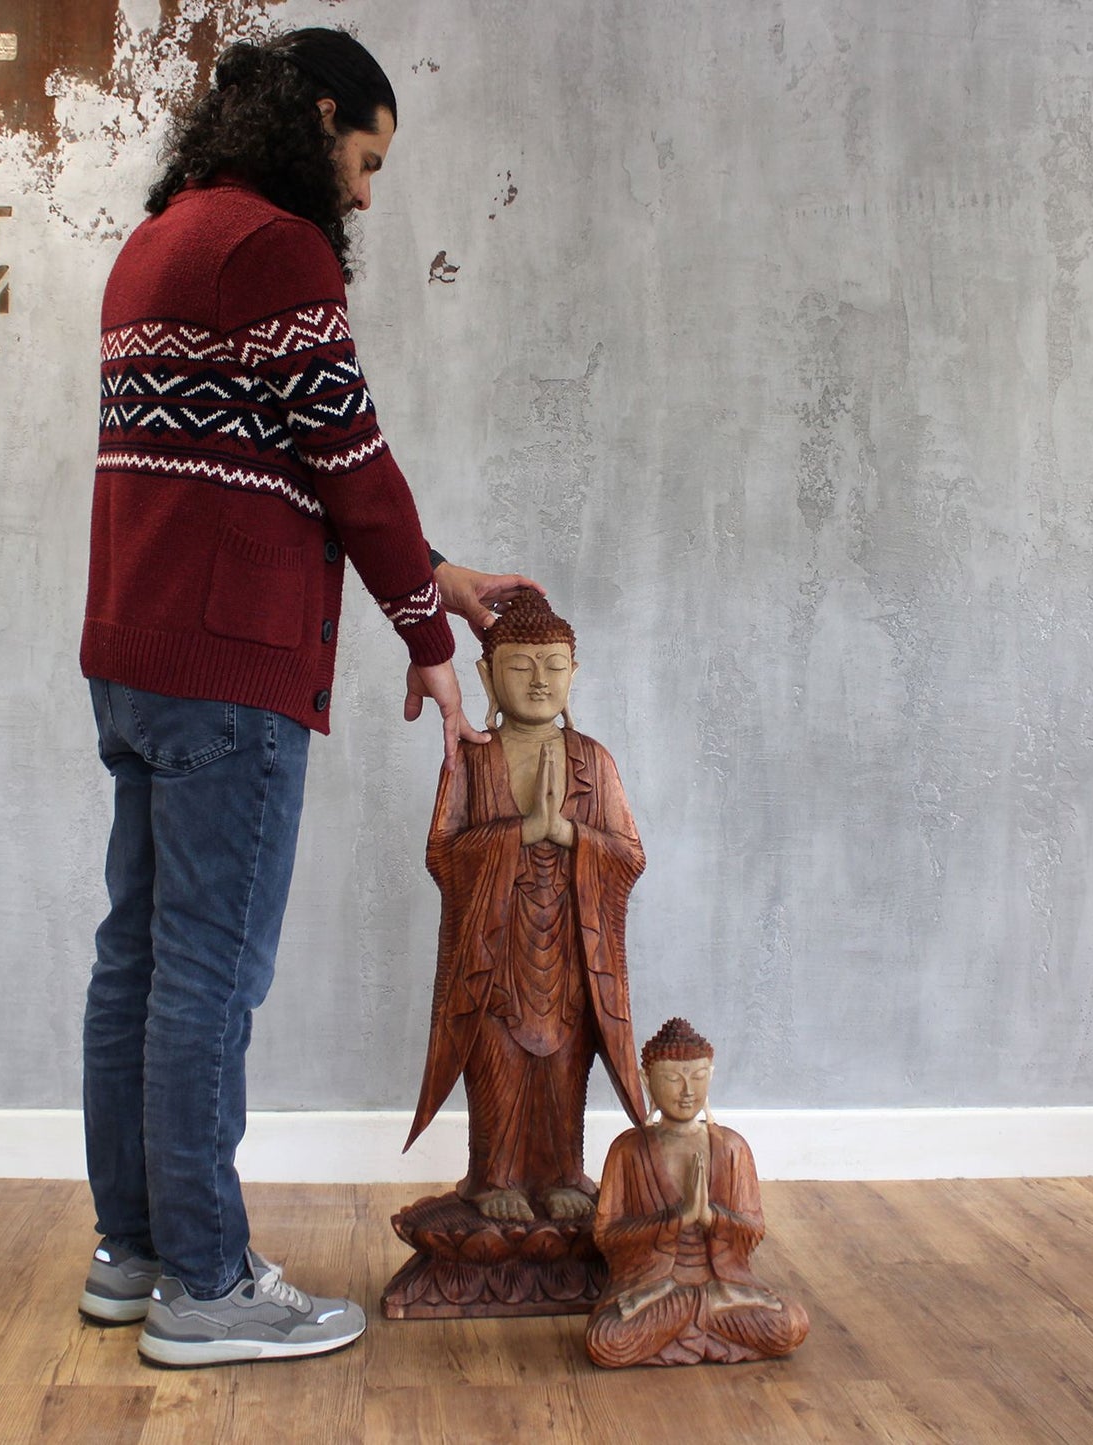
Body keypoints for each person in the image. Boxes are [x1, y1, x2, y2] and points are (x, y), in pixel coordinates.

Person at [77, 27, 539, 1368]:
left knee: (140, 963)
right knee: (207, 977)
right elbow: (350, 457)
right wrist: (425, 637)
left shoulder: (157, 241)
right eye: (365, 156)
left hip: (135, 655)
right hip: (232, 669)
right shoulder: (274, 250)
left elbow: (263, 451)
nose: (366, 194)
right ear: (318, 115)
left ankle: (138, 1250)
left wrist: (432, 576)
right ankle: (209, 1286)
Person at [405, 593, 646, 1222]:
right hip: (493, 948)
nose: (539, 680)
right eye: (520, 666)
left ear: (574, 675)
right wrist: (518, 834)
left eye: (553, 665)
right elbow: (442, 853)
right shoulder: (473, 757)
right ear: (486, 676)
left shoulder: (594, 761)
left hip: (572, 945)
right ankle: (494, 1177)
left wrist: (566, 835)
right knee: (498, 1058)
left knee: (565, 1062)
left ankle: (565, 1171)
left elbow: (629, 854)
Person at [586, 1018, 810, 1367]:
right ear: (647, 1082)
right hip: (657, 1290)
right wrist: (677, 1219)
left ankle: (687, 1328)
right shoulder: (628, 1150)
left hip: (722, 1286)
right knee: (606, 1339)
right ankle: (700, 1324)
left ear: (711, 1076)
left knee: (791, 1323)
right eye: (673, 1079)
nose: (687, 1091)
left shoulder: (732, 1147)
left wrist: (709, 1217)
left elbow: (753, 1230)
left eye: (698, 1077)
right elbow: (606, 1236)